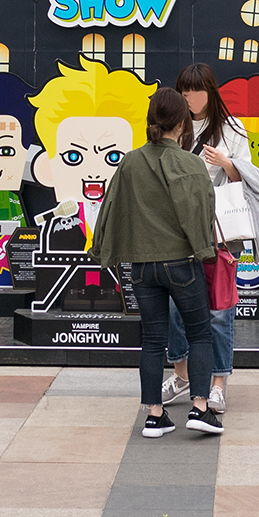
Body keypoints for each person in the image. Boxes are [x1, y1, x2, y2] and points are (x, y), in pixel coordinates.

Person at [89, 87, 223, 439]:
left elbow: (111, 209)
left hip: (141, 266)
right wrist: (205, 251)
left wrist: (103, 251)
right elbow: (201, 214)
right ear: (181, 123)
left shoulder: (129, 162)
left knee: (152, 340)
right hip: (181, 263)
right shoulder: (190, 163)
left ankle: (154, 415)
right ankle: (200, 408)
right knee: (199, 334)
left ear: (151, 121)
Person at [158, 62, 259, 413]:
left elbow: (247, 179)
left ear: (211, 91)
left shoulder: (231, 128)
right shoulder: (173, 125)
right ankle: (182, 375)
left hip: (219, 230)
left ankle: (218, 384)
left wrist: (225, 162)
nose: (190, 98)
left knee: (219, 310)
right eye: (184, 91)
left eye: (197, 91)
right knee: (175, 306)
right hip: (177, 229)